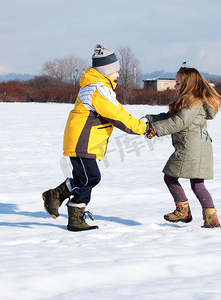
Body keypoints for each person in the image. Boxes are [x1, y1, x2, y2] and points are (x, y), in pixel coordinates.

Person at [42, 44, 148, 232]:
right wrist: (143, 128)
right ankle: (55, 194)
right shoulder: (98, 90)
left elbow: (117, 112)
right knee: (91, 177)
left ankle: (75, 219)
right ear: (106, 71)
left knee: (85, 179)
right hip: (82, 142)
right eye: (115, 71)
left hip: (86, 142)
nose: (117, 75)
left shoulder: (99, 87)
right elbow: (118, 116)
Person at [144, 67, 221, 228]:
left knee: (169, 176)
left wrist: (155, 130)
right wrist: (151, 119)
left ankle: (183, 210)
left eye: (178, 83)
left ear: (188, 85)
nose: (175, 86)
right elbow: (171, 117)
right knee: (198, 185)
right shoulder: (188, 101)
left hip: (190, 149)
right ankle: (211, 220)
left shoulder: (193, 102)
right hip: (198, 147)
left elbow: (178, 122)